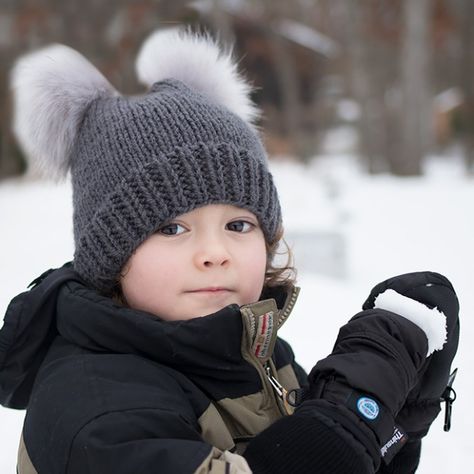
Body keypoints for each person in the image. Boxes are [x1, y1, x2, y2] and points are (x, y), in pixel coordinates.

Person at [0, 28, 459, 474]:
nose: (215, 252)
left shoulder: (253, 352)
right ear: (109, 257)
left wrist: (391, 426)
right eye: (172, 227)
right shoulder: (96, 412)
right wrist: (346, 420)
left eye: (239, 224)